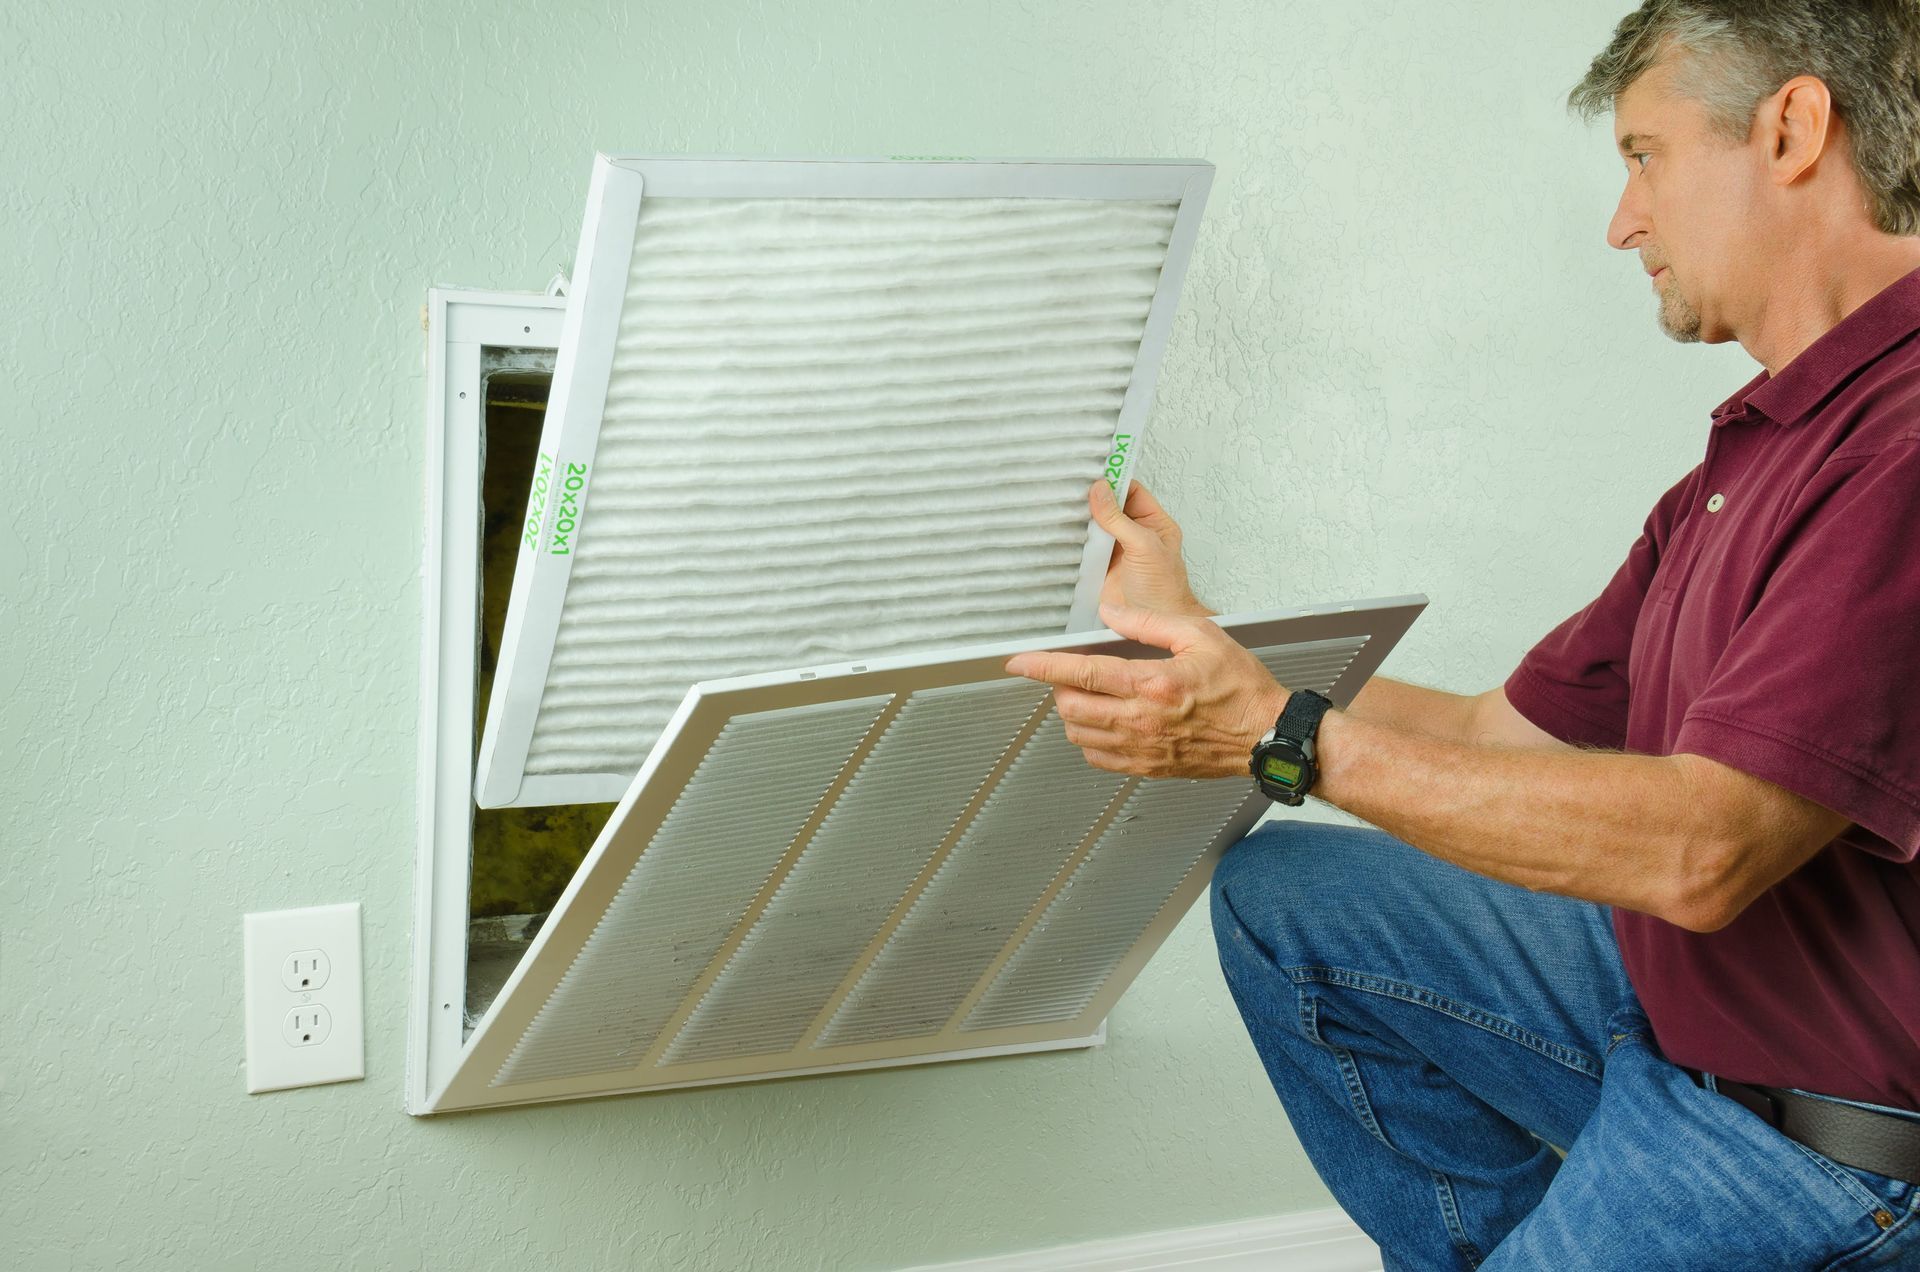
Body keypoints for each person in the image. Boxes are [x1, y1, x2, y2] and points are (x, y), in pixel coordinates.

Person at [1005, 2, 1920, 1265]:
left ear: (1793, 128)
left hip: (1825, 1140)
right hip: (1684, 1021)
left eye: (1644, 156)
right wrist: (1196, 636)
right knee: (1291, 904)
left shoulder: (1901, 449)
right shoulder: (1759, 447)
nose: (1623, 221)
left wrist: (1282, 738)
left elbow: (1706, 853)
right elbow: (1505, 735)